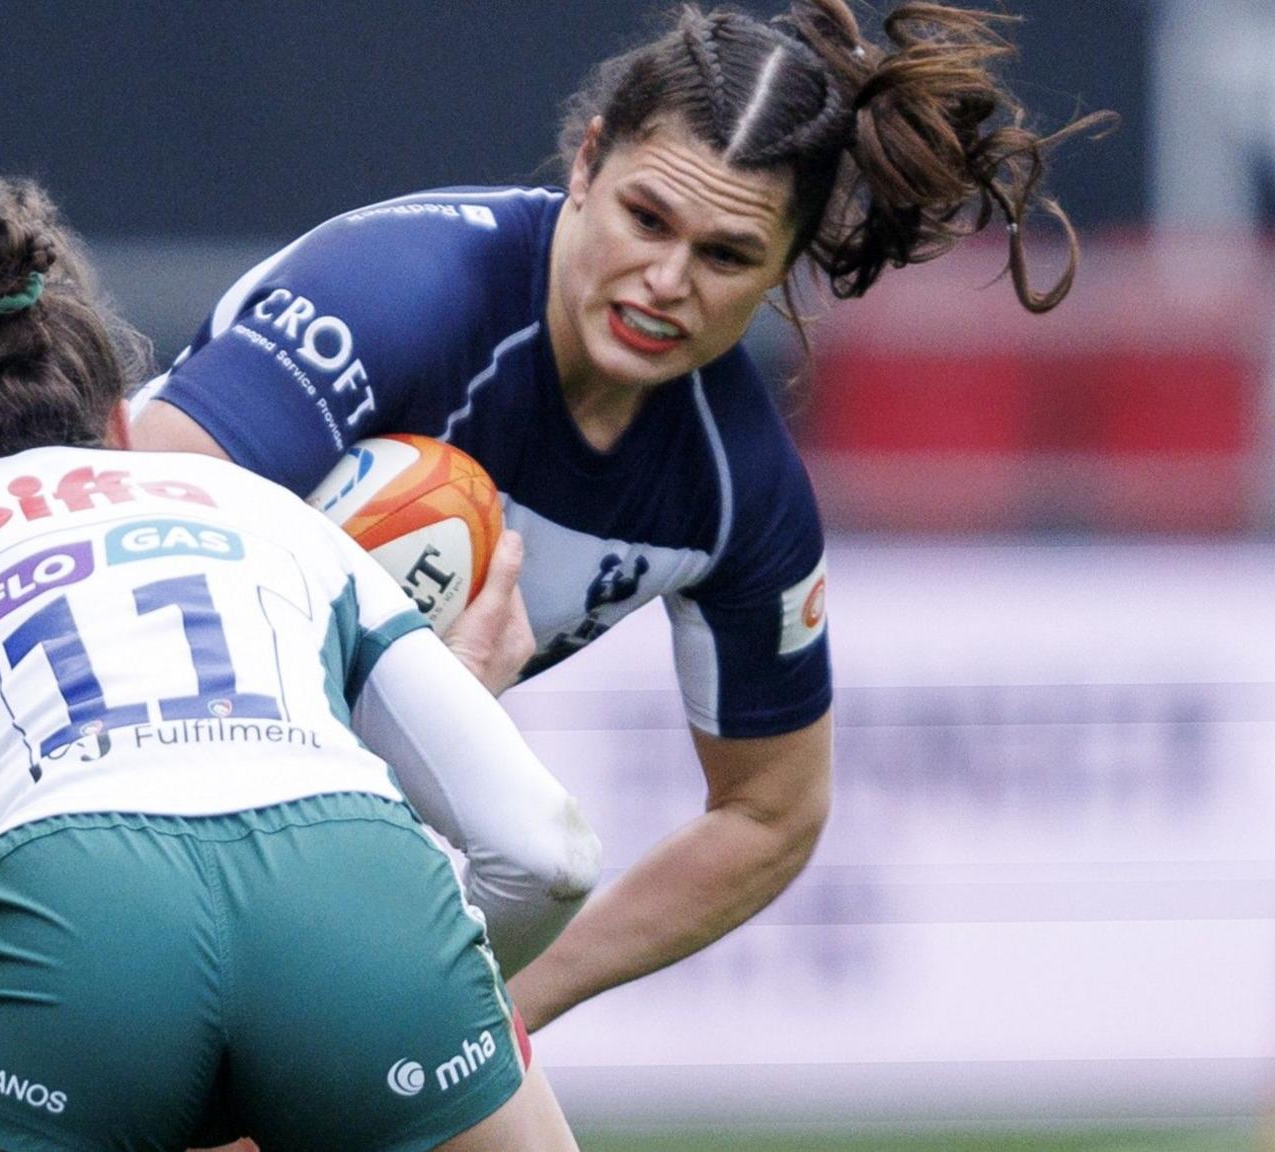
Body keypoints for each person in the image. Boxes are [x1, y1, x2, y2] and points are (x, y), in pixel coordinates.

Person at [131, 0, 1112, 1032]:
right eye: (646, 219)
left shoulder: (733, 485)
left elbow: (771, 814)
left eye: (725, 255)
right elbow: (120, 531)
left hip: (303, 837)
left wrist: (499, 1011)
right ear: (586, 164)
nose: (664, 282)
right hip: (63, 780)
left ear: (783, 270)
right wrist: (389, 686)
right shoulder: (396, 295)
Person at [0, 172, 602, 1152]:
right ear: (122, 427)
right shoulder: (270, 516)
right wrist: (417, 991)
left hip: (79, 923)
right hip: (360, 898)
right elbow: (547, 857)